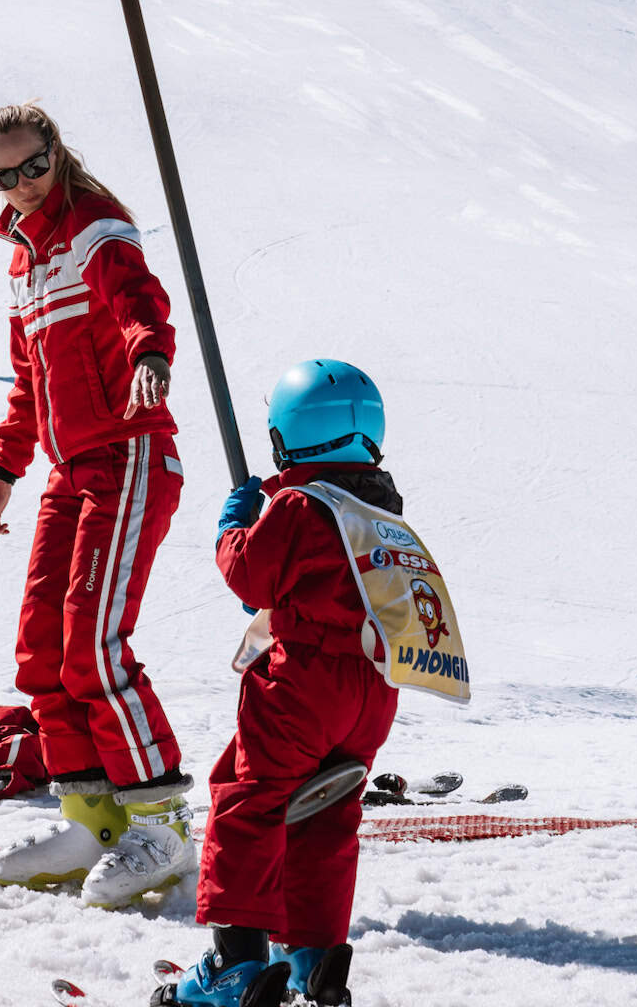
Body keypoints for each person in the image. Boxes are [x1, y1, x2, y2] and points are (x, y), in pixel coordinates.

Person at [0, 101, 193, 909]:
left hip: (129, 451)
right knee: (42, 648)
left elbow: (138, 297)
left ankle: (160, 824)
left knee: (94, 644)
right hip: (69, 469)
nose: (23, 185)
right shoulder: (23, 265)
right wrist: (4, 474)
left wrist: (152, 355)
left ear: (57, 152)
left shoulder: (95, 224)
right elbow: (27, 383)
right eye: (4, 175)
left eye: (33, 165)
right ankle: (91, 818)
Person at [161, 360, 401, 1007]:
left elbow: (249, 576)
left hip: (305, 684)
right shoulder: (382, 508)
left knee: (249, 796)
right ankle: (315, 957)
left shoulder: (298, 504)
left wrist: (233, 526)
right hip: (373, 691)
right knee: (325, 808)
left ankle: (234, 963)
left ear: (288, 438)